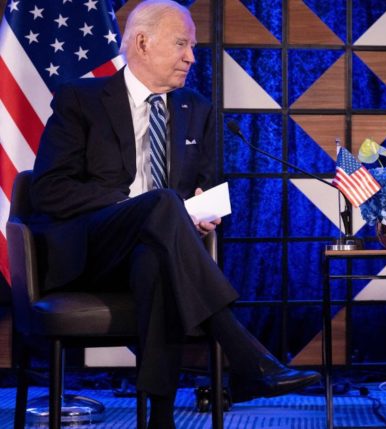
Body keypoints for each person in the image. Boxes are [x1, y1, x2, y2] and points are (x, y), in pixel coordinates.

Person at [27, 1, 320, 427]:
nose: (191, 57)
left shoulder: (195, 109)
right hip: (92, 251)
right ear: (142, 43)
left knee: (155, 259)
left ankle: (159, 418)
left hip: (161, 248)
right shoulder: (81, 99)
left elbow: (208, 187)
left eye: (193, 46)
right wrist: (135, 204)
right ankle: (249, 358)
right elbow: (49, 190)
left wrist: (206, 212)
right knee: (162, 203)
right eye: (182, 43)